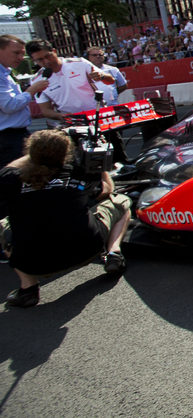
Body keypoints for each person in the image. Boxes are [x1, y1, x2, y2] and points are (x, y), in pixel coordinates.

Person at [0, 130, 131, 307]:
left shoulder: (11, 179)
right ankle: (114, 252)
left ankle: (28, 288)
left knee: (3, 224)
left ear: (30, 153)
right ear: (67, 152)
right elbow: (107, 190)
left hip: (34, 263)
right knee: (121, 202)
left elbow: (9, 168)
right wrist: (100, 168)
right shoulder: (77, 172)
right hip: (86, 251)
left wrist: (36, 154)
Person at [27, 39, 114, 124]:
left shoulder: (80, 63)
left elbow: (110, 80)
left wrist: (102, 76)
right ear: (33, 61)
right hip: (73, 123)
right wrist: (61, 116)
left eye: (48, 56)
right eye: (40, 60)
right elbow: (46, 110)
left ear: (54, 51)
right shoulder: (37, 81)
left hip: (98, 115)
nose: (46, 61)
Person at [0, 36, 48, 166]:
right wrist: (31, 90)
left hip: (13, 136)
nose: (20, 58)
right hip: (8, 138)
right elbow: (9, 105)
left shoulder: (5, 73)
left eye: (22, 54)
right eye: (16, 53)